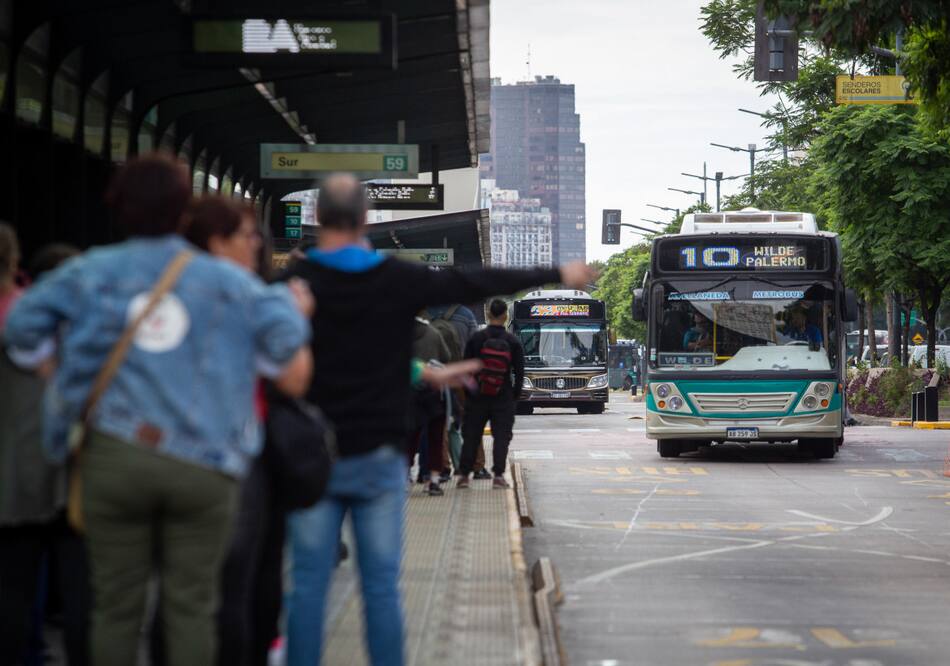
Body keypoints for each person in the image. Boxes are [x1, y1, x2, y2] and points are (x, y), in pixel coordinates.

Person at [3, 154, 314, 666]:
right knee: (191, 606)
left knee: (115, 607)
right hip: (206, 465)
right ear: (182, 212)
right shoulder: (229, 283)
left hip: (113, 459)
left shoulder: (89, 270)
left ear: (118, 207)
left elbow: (21, 329)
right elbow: (283, 343)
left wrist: (53, 370)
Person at [280, 172, 595, 666]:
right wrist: (557, 271)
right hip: (378, 456)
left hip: (309, 456)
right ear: (364, 220)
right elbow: (476, 279)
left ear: (319, 219)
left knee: (306, 587)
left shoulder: (293, 285)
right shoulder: (396, 280)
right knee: (381, 587)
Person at [182, 196, 311, 666]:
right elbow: (294, 378)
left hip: (175, 453)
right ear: (219, 240)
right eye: (248, 235)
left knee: (187, 589)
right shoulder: (261, 298)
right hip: (243, 455)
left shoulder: (166, 291)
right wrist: (296, 321)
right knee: (245, 578)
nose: (256, 243)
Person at [0, 233, 89, 666]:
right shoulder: (87, 328)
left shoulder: (16, 319)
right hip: (75, 470)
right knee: (82, 588)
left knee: (14, 584)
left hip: (14, 472)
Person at [455, 299, 525, 489]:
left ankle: (463, 476)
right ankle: (499, 476)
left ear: (488, 315)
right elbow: (519, 373)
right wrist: (514, 396)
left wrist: (470, 393)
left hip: (478, 396)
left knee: (472, 436)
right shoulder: (512, 341)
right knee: (501, 437)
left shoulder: (476, 339)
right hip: (503, 397)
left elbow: (465, 368)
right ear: (505, 316)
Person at [409, 315, 452, 496]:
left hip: (409, 393)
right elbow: (446, 357)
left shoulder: (400, 333)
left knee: (409, 438)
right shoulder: (434, 333)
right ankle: (432, 481)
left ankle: (404, 478)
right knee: (435, 438)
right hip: (434, 392)